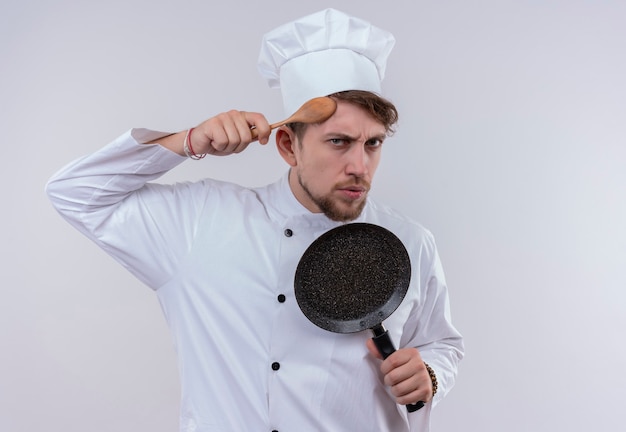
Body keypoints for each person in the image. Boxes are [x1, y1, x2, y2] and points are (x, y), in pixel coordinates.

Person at [46, 8, 463, 432]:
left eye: (372, 143)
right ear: (287, 145)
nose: (360, 165)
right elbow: (73, 193)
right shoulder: (200, 220)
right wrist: (188, 141)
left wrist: (429, 374)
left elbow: (441, 343)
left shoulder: (409, 241)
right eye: (338, 142)